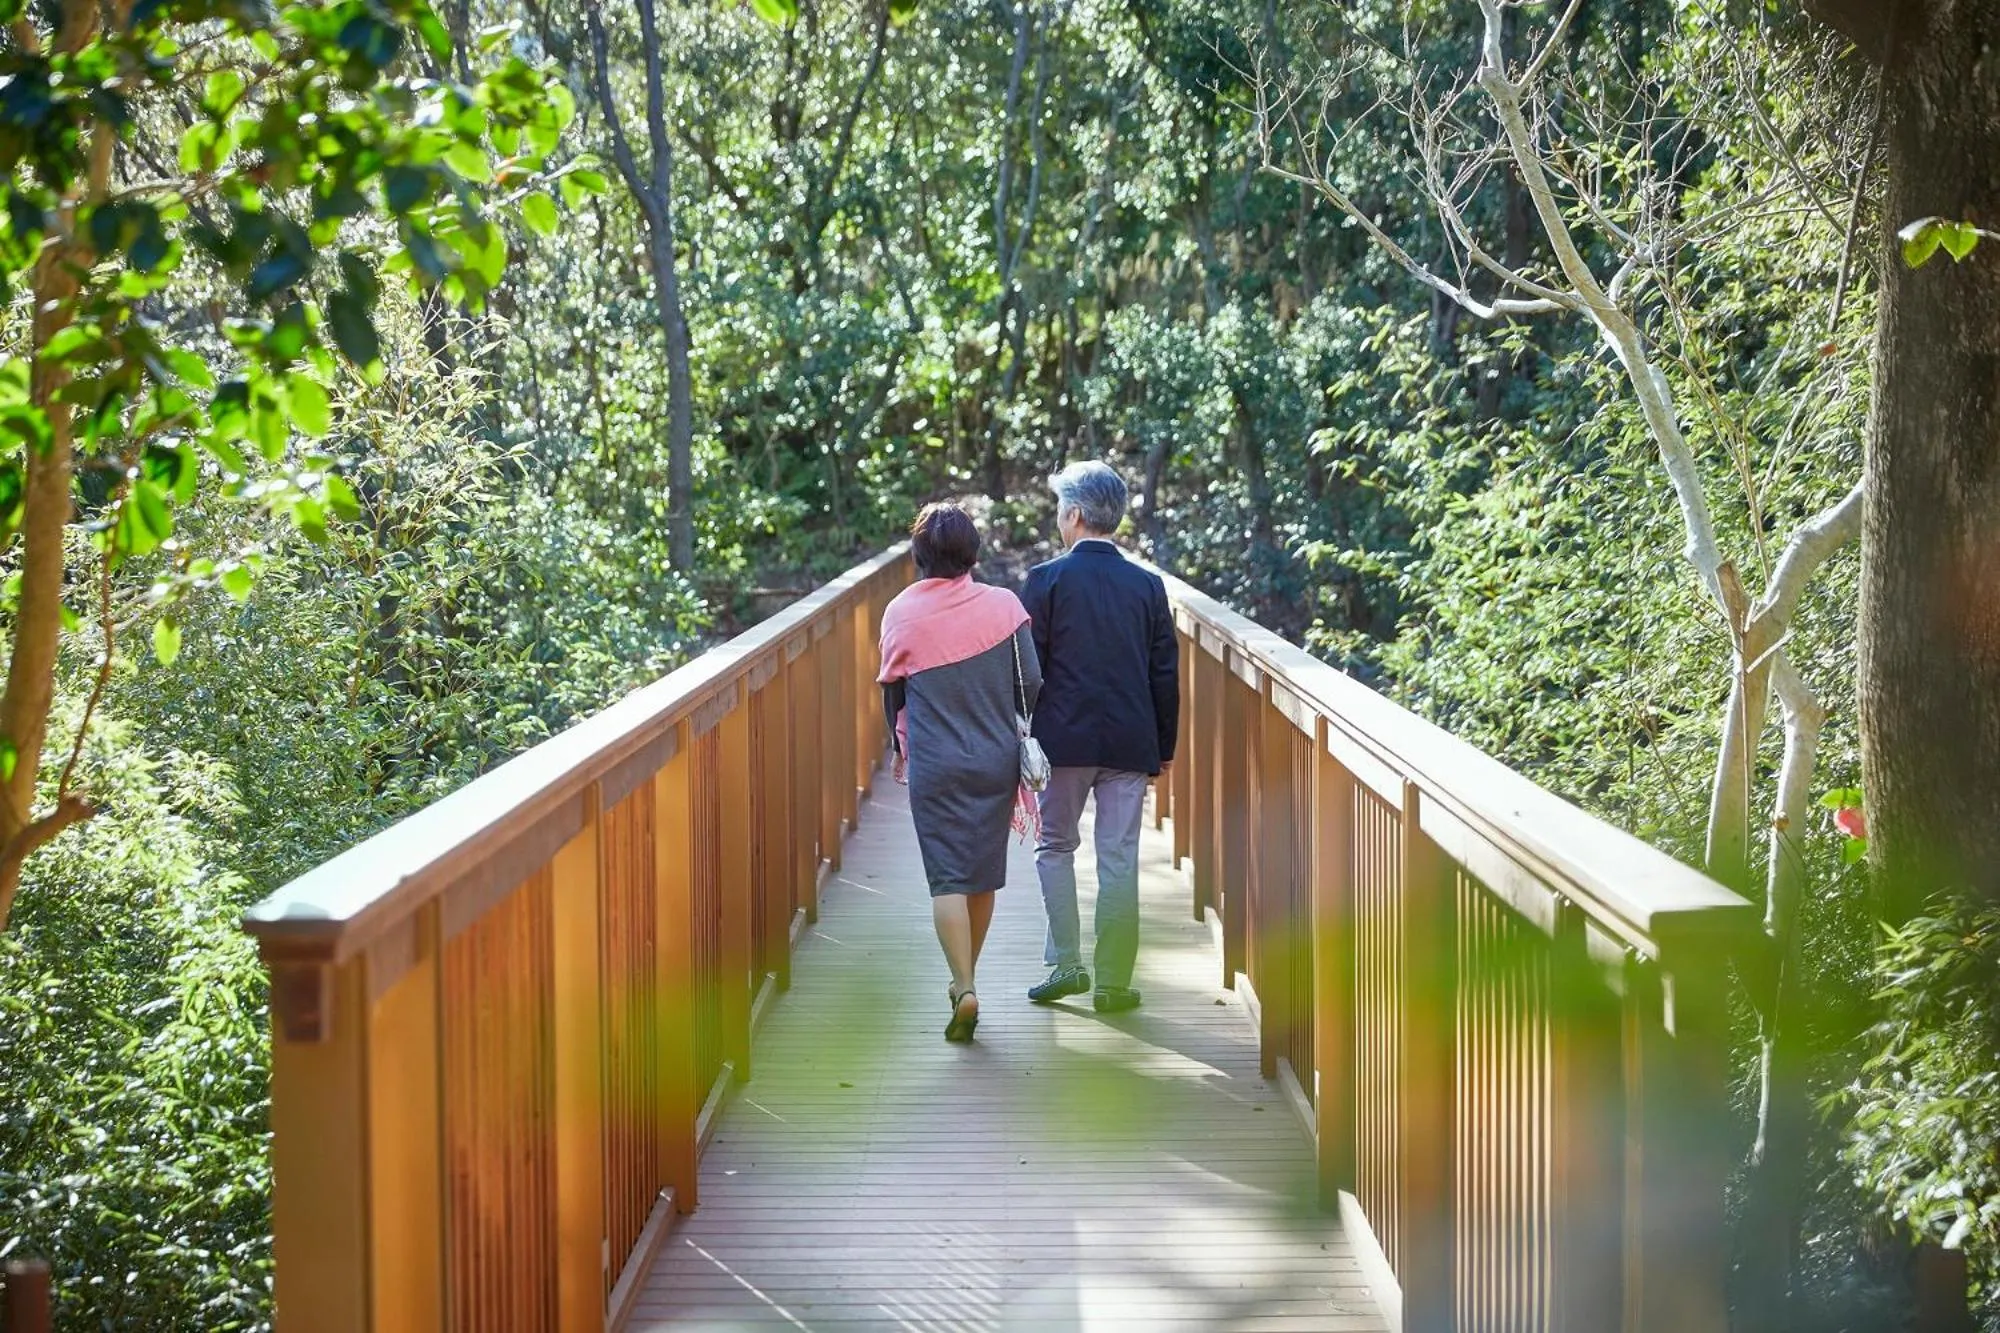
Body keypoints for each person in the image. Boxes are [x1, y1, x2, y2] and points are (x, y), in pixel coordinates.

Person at [878, 503, 1042, 1042]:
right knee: (982, 874)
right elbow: (1033, 681)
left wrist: (898, 749)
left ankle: (963, 984)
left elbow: (893, 691)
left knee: (947, 877)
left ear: (919, 555)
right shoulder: (1004, 606)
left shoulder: (901, 613)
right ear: (973, 551)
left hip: (936, 762)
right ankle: (968, 980)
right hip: (995, 759)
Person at [1021, 461, 1178, 1014]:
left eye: (1061, 508)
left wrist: (1023, 735)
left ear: (1077, 514)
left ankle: (1068, 964)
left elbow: (1029, 670)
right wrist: (1163, 747)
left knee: (1055, 846)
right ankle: (1113, 981)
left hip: (1061, 743)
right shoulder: (1148, 586)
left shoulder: (1045, 581)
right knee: (1118, 858)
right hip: (1130, 742)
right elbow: (1164, 673)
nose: (1058, 518)